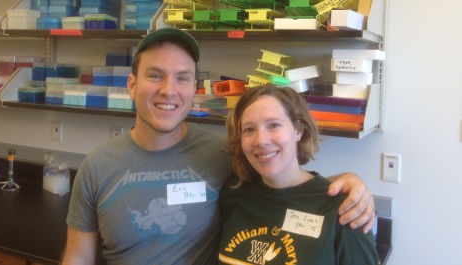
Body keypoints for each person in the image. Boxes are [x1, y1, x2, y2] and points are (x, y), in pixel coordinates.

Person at [61, 28, 376, 265]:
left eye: (182, 78)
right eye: (155, 75)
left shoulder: (222, 155)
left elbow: (282, 177)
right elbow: (77, 258)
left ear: (193, 88)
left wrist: (346, 185)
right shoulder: (96, 167)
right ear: (132, 85)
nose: (169, 90)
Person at [219, 84, 379, 264]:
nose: (261, 140)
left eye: (274, 125)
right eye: (249, 129)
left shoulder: (343, 209)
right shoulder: (233, 194)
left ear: (298, 131)